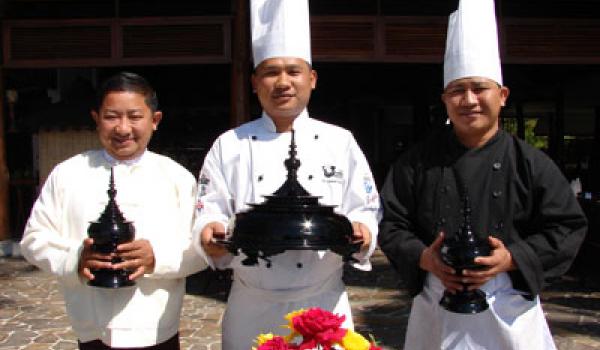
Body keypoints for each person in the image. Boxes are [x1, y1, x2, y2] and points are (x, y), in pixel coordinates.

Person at [378, 0, 587, 349]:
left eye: (479, 88)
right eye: (458, 91)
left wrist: (513, 258)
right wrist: (424, 257)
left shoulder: (530, 162)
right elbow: (390, 222)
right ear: (445, 99)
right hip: (437, 303)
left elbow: (568, 226)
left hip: (509, 305)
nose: (469, 100)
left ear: (502, 96)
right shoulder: (416, 162)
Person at [193, 1, 380, 348]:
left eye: (294, 71)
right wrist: (209, 233)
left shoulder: (341, 141)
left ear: (312, 79)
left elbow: (365, 206)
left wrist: (363, 231)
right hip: (251, 303)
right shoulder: (228, 144)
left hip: (324, 303)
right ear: (254, 82)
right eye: (270, 72)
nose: (283, 82)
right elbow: (210, 207)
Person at [20, 72, 207, 349]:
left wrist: (156, 257)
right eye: (111, 117)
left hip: (156, 328)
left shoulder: (176, 178)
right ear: (96, 119)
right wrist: (76, 258)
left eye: (134, 116)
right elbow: (33, 240)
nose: (122, 128)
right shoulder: (68, 173)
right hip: (91, 328)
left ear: (154, 121)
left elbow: (201, 249)